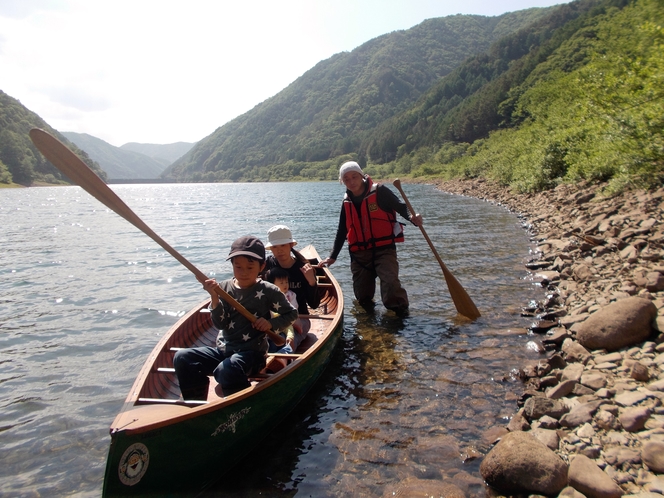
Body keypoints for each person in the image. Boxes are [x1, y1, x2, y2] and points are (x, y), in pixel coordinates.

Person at [173, 235, 298, 400]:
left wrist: (269, 323)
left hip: (252, 355)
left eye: (249, 267)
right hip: (225, 350)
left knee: (227, 369)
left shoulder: (268, 290)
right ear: (232, 266)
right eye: (238, 267)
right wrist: (214, 298)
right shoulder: (223, 288)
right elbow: (220, 324)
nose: (244, 273)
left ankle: (240, 406)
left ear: (262, 267)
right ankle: (194, 403)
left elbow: (291, 314)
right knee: (182, 358)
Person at [319, 161, 423, 314]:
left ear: (362, 175)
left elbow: (401, 207)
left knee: (390, 283)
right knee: (363, 297)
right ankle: (367, 322)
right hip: (359, 254)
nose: (351, 181)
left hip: (384, 250)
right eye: (346, 179)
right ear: (342, 182)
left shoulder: (380, 191)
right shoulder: (346, 201)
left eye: (354, 176)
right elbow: (342, 230)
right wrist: (332, 256)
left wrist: (412, 218)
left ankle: (400, 317)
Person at [263, 225, 320, 314]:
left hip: (300, 316)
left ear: (291, 245)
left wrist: (312, 281)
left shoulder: (303, 268)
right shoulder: (268, 264)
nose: (279, 250)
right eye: (275, 247)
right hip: (274, 317)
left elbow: (314, 304)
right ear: (270, 248)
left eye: (283, 245)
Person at [265, 266, 305, 354]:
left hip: (286, 322)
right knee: (269, 341)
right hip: (272, 324)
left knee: (286, 338)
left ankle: (283, 357)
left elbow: (293, 310)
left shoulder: (291, 295)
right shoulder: (268, 296)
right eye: (281, 282)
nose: (285, 285)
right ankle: (269, 358)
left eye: (286, 282)